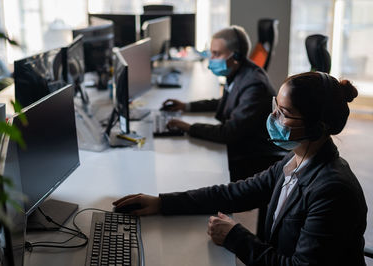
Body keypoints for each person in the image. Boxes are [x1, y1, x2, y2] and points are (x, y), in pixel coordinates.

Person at [114, 72, 367, 265]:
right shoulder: (295, 160)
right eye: (275, 107)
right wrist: (162, 203)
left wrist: (236, 236)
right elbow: (236, 193)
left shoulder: (333, 192)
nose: (273, 118)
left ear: (318, 127)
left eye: (284, 113)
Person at [161, 25, 286, 181]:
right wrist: (187, 106)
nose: (211, 59)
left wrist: (188, 127)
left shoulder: (254, 85)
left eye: (216, 54)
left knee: (189, 166)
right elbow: (225, 102)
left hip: (252, 154)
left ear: (236, 57)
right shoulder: (239, 72)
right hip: (240, 143)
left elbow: (229, 133)